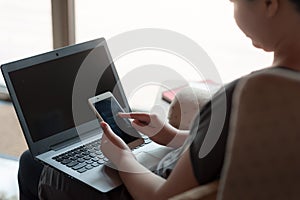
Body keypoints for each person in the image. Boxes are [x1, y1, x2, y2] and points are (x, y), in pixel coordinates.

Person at [18, 0, 300, 199]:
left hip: (146, 187)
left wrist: (122, 159)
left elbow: (162, 197)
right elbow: (228, 148)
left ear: (269, 4)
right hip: (173, 169)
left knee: (32, 162)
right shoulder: (279, 97)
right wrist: (168, 134)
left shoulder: (245, 95)